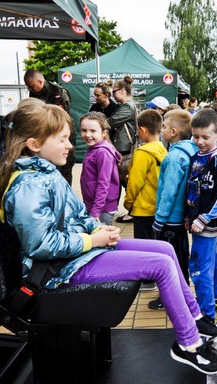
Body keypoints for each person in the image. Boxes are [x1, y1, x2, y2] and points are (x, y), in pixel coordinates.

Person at [0, 104, 217, 374]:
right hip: (58, 271)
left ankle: (194, 316)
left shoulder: (47, 173)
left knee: (165, 249)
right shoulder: (29, 186)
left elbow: (76, 214)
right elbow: (40, 245)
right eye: (62, 139)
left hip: (75, 255)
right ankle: (188, 344)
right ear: (34, 144)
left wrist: (97, 229)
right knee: (161, 265)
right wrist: (92, 241)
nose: (70, 146)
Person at [148, 110, 198, 311]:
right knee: (181, 257)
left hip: (170, 219)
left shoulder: (174, 157)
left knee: (169, 260)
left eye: (165, 128)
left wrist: (159, 218)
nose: (162, 131)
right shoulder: (192, 151)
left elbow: (169, 190)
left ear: (174, 131)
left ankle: (170, 297)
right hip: (182, 218)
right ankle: (182, 293)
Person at [186, 109, 217, 321]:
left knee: (199, 266)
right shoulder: (196, 156)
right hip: (196, 220)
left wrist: (204, 218)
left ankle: (207, 314)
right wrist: (189, 215)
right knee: (211, 259)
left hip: (206, 223)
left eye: (206, 137)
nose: (200, 141)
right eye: (196, 136)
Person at [24, 70, 75, 184]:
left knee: (63, 171)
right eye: (28, 87)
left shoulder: (58, 92)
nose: (30, 90)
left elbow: (62, 118)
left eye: (32, 86)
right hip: (46, 137)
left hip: (61, 136)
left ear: (40, 81)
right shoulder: (34, 93)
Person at [123, 109, 167, 240]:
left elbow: (135, 182)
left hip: (142, 209)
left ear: (142, 130)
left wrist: (128, 203)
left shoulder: (142, 153)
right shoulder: (163, 151)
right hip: (158, 208)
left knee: (143, 247)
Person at [79, 112, 121, 226]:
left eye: (93, 131)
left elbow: (103, 183)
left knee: (103, 241)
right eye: (84, 130)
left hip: (102, 209)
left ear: (103, 133)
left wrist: (95, 211)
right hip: (94, 206)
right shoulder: (93, 148)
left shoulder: (102, 152)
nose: (87, 135)